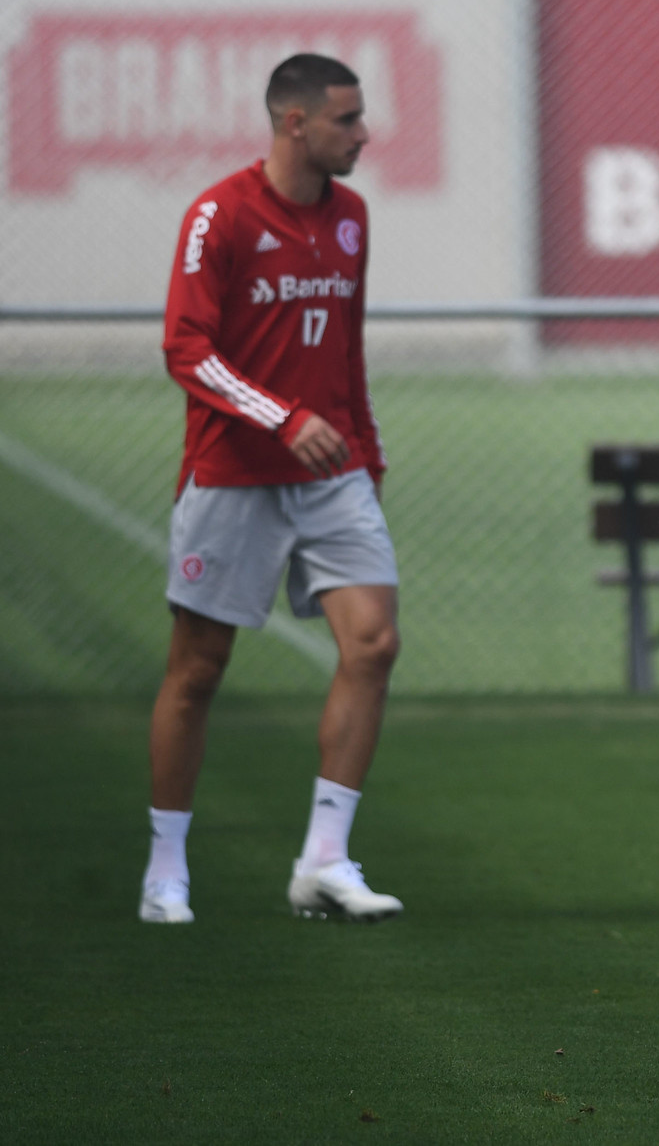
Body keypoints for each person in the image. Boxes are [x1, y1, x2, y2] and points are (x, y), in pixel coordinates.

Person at [143, 54, 403, 925]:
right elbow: (187, 348)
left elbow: (346, 350)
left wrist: (362, 445)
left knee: (373, 644)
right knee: (198, 672)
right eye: (347, 119)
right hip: (234, 473)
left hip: (332, 475)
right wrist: (284, 417)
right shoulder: (218, 214)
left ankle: (324, 860)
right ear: (295, 123)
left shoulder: (354, 219)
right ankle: (166, 867)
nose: (363, 134)